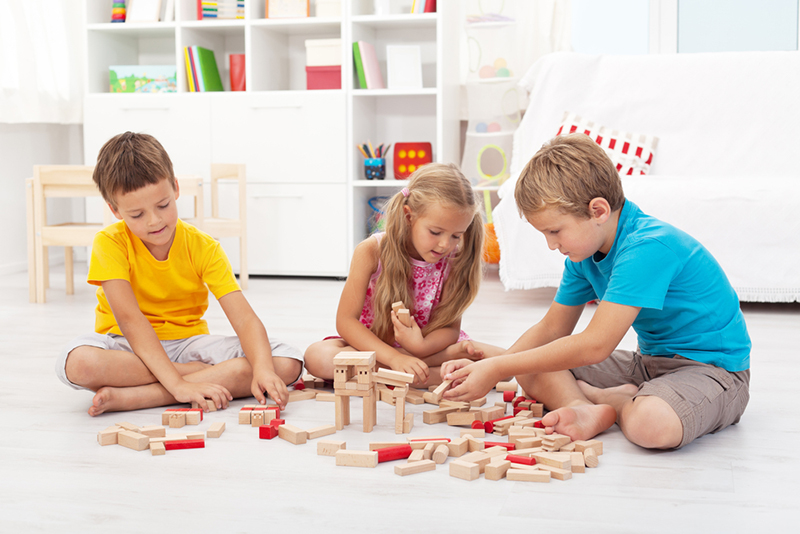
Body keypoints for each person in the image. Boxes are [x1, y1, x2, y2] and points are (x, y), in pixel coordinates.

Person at [442, 133, 751, 449]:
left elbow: (595, 345)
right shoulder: (583, 254)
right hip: (650, 365)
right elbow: (552, 328)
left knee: (651, 425)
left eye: (555, 231)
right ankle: (583, 408)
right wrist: (494, 367)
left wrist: (498, 366)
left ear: (598, 211)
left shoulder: (647, 247)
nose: (551, 245)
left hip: (714, 372)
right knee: (531, 369)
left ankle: (613, 402)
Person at [56, 132, 303, 416]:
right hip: (127, 345)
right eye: (137, 215)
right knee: (78, 363)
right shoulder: (109, 242)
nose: (154, 221)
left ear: (175, 188)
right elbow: (129, 319)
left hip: (190, 344)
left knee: (285, 362)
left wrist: (261, 369)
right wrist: (179, 381)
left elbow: (245, 319)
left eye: (163, 205)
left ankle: (141, 397)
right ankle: (191, 378)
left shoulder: (204, 246)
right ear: (115, 210)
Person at [303, 163, 504, 386]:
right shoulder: (370, 251)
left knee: (504, 364)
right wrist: (394, 358)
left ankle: (415, 371)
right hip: (375, 348)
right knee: (317, 357)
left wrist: (420, 347)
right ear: (409, 216)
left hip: (431, 346)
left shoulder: (454, 260)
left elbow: (450, 329)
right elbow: (346, 321)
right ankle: (437, 371)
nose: (445, 244)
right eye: (435, 232)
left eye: (456, 235)